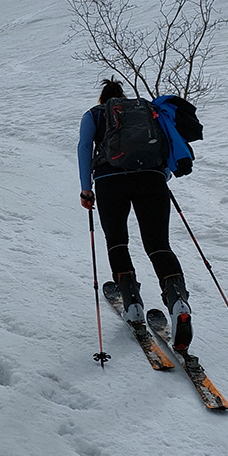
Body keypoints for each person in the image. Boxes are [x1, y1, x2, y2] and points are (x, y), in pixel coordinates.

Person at [78, 78, 193, 349]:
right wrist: (162, 175)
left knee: (117, 241)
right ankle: (178, 302)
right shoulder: (147, 110)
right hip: (151, 178)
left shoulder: (94, 114)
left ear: (102, 100)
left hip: (109, 180)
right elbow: (164, 142)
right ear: (123, 97)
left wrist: (86, 188)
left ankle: (132, 304)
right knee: (158, 245)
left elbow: (84, 147)